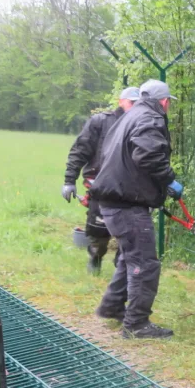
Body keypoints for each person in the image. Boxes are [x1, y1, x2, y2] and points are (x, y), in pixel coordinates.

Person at [89, 79, 184, 339]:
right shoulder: (150, 119)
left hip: (113, 198)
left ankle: (111, 306)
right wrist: (169, 179)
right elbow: (148, 156)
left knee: (130, 257)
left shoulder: (130, 116)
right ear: (164, 102)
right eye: (168, 103)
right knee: (145, 262)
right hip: (126, 202)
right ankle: (136, 324)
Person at [62, 87, 139, 273]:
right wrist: (69, 180)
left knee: (129, 231)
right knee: (99, 229)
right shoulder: (101, 121)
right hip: (100, 185)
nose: (134, 106)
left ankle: (121, 268)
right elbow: (80, 150)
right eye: (131, 102)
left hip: (129, 187)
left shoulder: (141, 125)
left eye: (138, 103)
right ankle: (95, 257)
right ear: (121, 101)